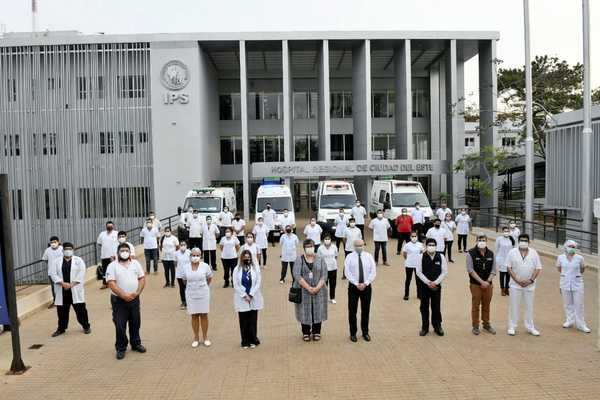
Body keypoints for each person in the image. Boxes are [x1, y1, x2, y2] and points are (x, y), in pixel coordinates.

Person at [105, 243, 147, 360]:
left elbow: (142, 278)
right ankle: (121, 348)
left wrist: (137, 292)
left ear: (130, 252)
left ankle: (136, 343)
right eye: (122, 250)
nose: (124, 252)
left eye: (126, 250)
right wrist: (123, 295)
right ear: (118, 253)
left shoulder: (135, 263)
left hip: (134, 299)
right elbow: (111, 283)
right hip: (119, 301)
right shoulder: (112, 266)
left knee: (135, 322)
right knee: (120, 325)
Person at [49, 242, 91, 337]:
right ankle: (61, 328)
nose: (67, 251)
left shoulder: (79, 260)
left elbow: (81, 273)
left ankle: (86, 326)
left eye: (69, 249)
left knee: (81, 310)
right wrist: (62, 283)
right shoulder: (56, 261)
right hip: (62, 290)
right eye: (66, 249)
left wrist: (72, 284)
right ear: (63, 250)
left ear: (73, 250)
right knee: (62, 312)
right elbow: (53, 274)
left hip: (75, 290)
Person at [292, 239, 328, 341]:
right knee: (304, 310)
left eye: (311, 246)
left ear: (314, 247)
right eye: (307, 247)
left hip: (319, 289)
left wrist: (317, 287)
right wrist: (308, 287)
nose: (309, 248)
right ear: (304, 248)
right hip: (303, 290)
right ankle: (306, 332)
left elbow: (324, 275)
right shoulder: (299, 259)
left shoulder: (320, 258)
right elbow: (297, 275)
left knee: (318, 309)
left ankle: (317, 331)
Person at [506, 234, 542, 336]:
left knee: (529, 307)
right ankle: (512, 326)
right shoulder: (512, 252)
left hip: (529, 286)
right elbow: (509, 268)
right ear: (518, 241)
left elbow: (538, 268)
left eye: (525, 240)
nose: (523, 242)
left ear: (529, 242)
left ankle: (530, 327)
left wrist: (530, 280)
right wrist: (517, 280)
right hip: (514, 285)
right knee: (513, 306)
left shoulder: (534, 253)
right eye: (521, 240)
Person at [344, 239, 376, 342]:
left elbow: (373, 271)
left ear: (364, 245)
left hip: (366, 287)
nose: (359, 247)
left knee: (365, 310)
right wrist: (356, 283)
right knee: (352, 311)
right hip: (354, 287)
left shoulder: (369, 256)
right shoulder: (349, 257)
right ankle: (353, 333)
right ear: (354, 246)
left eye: (361, 245)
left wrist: (366, 283)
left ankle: (365, 332)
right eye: (357, 245)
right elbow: (347, 272)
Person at [556, 240, 590, 333]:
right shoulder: (560, 257)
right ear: (565, 247)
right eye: (570, 246)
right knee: (567, 304)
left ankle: (581, 324)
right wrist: (567, 275)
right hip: (565, 283)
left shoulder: (580, 258)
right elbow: (559, 268)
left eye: (574, 247)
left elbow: (582, 269)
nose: (572, 248)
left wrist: (575, 275)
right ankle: (569, 321)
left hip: (577, 283)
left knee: (579, 304)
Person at [416, 238, 448, 336]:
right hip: (424, 286)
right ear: (426, 246)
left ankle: (437, 326)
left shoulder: (441, 257)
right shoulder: (421, 256)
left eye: (433, 245)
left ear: (436, 246)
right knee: (424, 307)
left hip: (436, 286)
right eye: (429, 245)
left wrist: (436, 282)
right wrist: (428, 282)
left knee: (436, 306)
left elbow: (444, 272)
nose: (431, 247)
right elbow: (418, 272)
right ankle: (425, 327)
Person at [182, 248, 213, 347]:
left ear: (201, 256)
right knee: (194, 315)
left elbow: (209, 278)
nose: (195, 257)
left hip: (203, 292)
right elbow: (184, 280)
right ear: (190, 256)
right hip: (191, 293)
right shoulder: (186, 267)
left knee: (204, 315)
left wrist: (203, 286)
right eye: (193, 255)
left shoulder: (205, 266)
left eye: (197, 255)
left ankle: (205, 337)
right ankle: (196, 337)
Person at [466, 234, 497, 335]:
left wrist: (487, 281)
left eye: (483, 240)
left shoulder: (491, 254)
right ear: (476, 241)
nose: (482, 241)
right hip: (476, 284)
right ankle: (475, 326)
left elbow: (493, 270)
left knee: (486, 305)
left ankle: (486, 324)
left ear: (486, 241)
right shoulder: (470, 253)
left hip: (488, 284)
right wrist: (481, 282)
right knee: (476, 305)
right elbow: (470, 270)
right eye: (480, 240)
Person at [233, 250, 263, 348]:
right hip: (242, 298)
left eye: (249, 257)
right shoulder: (237, 269)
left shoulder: (255, 268)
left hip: (253, 297)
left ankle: (253, 339)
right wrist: (244, 295)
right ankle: (244, 341)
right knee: (243, 320)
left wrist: (251, 294)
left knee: (253, 319)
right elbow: (235, 284)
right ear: (242, 258)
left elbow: (258, 282)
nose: (247, 259)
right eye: (245, 257)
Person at [401, 231, 423, 301]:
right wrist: (408, 260)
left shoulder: (420, 244)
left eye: (415, 236)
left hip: (418, 265)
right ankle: (406, 294)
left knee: (418, 280)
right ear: (410, 237)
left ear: (417, 237)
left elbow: (422, 253)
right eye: (412, 236)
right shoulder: (407, 245)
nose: (414, 237)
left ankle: (419, 294)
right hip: (409, 264)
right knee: (408, 280)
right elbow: (404, 254)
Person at [318, 234, 339, 304]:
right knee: (324, 284)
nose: (327, 240)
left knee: (333, 284)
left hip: (333, 268)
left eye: (328, 239)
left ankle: (332, 298)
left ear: (330, 240)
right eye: (326, 239)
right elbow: (319, 258)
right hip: (324, 269)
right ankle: (324, 298)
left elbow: (336, 256)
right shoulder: (320, 248)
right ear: (323, 240)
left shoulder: (334, 247)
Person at [42, 236, 63, 307]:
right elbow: (45, 259)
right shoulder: (47, 250)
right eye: (51, 242)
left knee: (63, 285)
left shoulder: (62, 249)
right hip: (51, 272)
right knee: (54, 287)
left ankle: (65, 300)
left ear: (58, 242)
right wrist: (51, 265)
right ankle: (55, 301)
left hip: (61, 271)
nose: (53, 244)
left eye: (55, 242)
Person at [97, 221, 118, 288]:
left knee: (114, 269)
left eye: (111, 226)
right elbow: (99, 243)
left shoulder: (116, 233)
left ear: (113, 226)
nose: (109, 227)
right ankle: (105, 283)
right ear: (106, 226)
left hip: (114, 255)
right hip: (104, 255)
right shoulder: (102, 234)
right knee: (105, 270)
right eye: (108, 226)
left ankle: (115, 283)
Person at [495, 226, 515, 296]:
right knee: (502, 275)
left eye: (507, 231)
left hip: (509, 260)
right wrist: (497, 259)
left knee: (508, 275)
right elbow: (496, 249)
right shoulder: (499, 239)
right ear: (502, 232)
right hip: (501, 259)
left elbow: (513, 250)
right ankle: (502, 289)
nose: (506, 232)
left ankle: (507, 288)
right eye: (505, 231)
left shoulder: (511, 239)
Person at [175, 241, 191, 309]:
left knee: (188, 288)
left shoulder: (189, 252)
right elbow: (175, 263)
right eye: (181, 245)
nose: (182, 246)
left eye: (184, 245)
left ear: (186, 245)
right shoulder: (176, 253)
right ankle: (183, 302)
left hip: (188, 274)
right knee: (182, 288)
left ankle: (189, 302)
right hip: (179, 274)